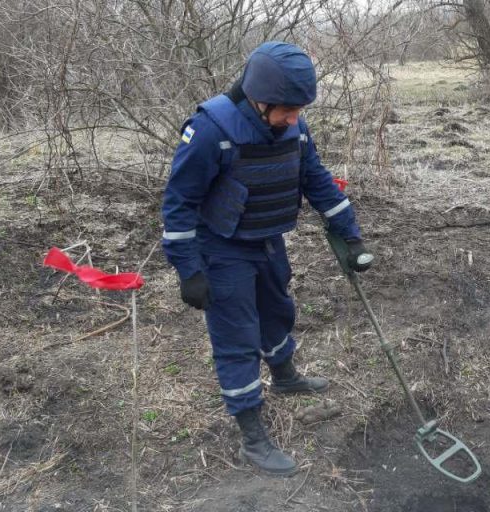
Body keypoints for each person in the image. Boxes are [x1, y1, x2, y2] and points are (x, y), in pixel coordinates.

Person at [160, 41, 373, 476]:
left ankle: (286, 374)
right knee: (237, 336)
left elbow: (315, 178)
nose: (294, 119)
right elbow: (179, 202)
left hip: (268, 239)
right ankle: (253, 438)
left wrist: (350, 237)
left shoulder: (293, 125)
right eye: (287, 111)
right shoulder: (209, 130)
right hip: (222, 248)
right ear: (259, 99)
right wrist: (189, 270)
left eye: (298, 110)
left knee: (278, 311)